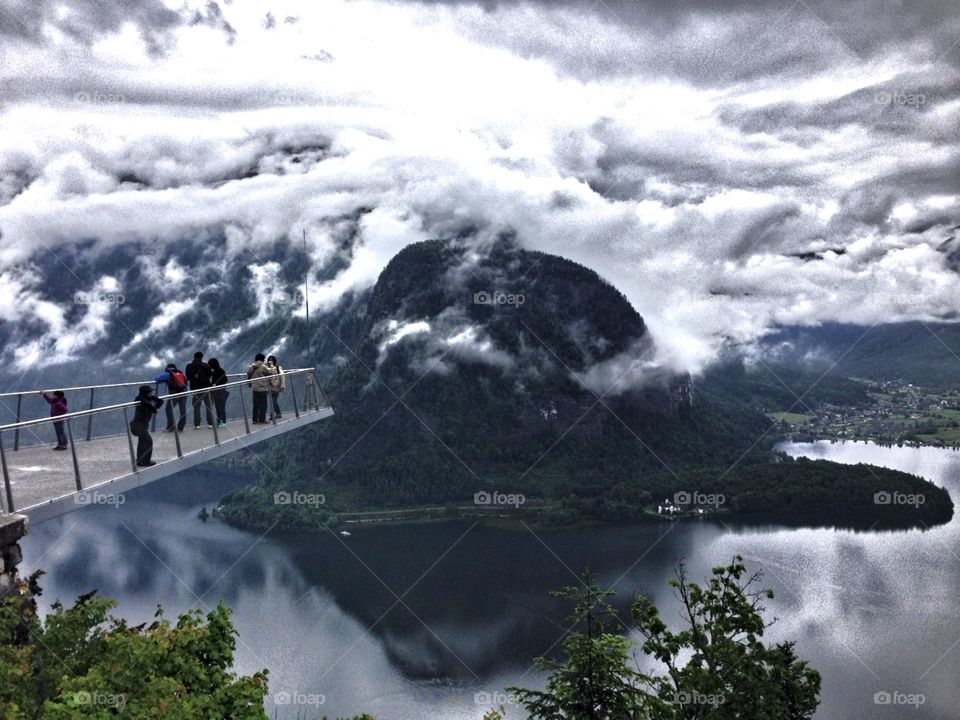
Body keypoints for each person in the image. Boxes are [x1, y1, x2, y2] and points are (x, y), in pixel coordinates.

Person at [130, 385, 163, 467]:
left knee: (142, 441)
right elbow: (141, 401)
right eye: (150, 392)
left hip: (143, 425)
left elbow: (160, 401)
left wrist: (154, 403)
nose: (151, 393)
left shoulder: (148, 399)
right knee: (148, 441)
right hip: (138, 425)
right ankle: (146, 461)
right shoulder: (140, 399)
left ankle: (140, 460)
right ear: (145, 393)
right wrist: (153, 409)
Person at [154, 362, 187, 433]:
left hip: (174, 393)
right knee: (183, 410)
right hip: (184, 392)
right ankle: (180, 428)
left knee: (169, 409)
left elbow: (156, 379)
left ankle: (170, 427)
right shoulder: (181, 373)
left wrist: (165, 380)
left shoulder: (168, 374)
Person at [185, 351, 214, 429]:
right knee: (209, 406)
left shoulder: (189, 366)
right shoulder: (206, 365)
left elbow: (187, 376)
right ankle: (210, 424)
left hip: (195, 389)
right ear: (201, 357)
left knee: (196, 407)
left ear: (194, 357)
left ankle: (197, 425)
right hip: (206, 388)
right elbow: (210, 375)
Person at [247, 353, 276, 424]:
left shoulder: (252, 367)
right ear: (262, 359)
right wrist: (272, 366)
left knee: (256, 404)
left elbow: (248, 373)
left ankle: (254, 419)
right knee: (263, 405)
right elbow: (272, 372)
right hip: (263, 388)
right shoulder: (263, 367)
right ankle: (262, 419)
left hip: (255, 388)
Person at [208, 358, 229, 427]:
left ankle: (222, 421)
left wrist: (215, 384)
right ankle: (220, 421)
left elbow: (225, 379)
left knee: (220, 407)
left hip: (219, 390)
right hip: (218, 390)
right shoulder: (218, 370)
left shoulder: (218, 371)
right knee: (220, 407)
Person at [267, 355, 285, 419]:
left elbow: (282, 376)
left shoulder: (278, 367)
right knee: (273, 401)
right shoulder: (267, 369)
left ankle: (272, 415)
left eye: (272, 360)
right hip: (269, 388)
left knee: (273, 401)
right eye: (269, 360)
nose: (270, 361)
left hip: (276, 387)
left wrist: (282, 386)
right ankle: (278, 413)